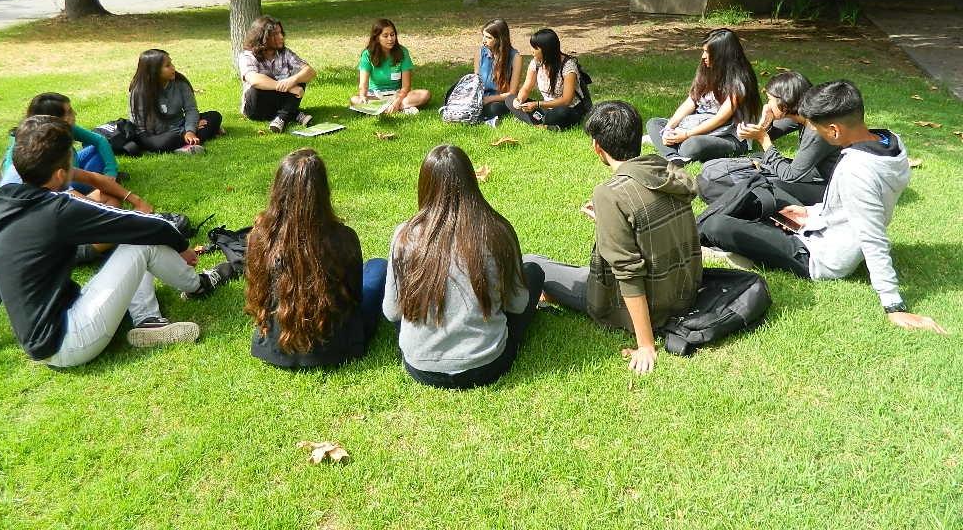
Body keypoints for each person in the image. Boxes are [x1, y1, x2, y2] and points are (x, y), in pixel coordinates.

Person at [0, 116, 234, 368]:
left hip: (48, 339)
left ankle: (147, 321)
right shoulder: (59, 208)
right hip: (72, 340)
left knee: (132, 241)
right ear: (58, 175)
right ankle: (199, 286)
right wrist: (181, 245)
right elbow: (145, 224)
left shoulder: (0, 208)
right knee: (139, 241)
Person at [698, 80, 946, 333]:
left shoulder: (857, 171)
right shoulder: (890, 141)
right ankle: (708, 235)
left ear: (834, 131)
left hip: (818, 258)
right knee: (754, 189)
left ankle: (695, 236)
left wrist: (894, 306)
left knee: (719, 224)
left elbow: (873, 237)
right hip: (818, 228)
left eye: (817, 130)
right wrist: (812, 214)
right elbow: (850, 206)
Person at [524, 101, 702, 375]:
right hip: (684, 291)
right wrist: (608, 221)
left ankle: (546, 293)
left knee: (533, 264)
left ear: (597, 146)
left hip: (646, 303)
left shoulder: (610, 193)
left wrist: (645, 344)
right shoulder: (666, 171)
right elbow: (651, 224)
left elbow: (627, 271)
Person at [381, 145, 544, 389]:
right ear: (471, 181)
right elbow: (517, 304)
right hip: (486, 364)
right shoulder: (497, 230)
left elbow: (392, 311)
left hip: (422, 366)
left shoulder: (405, 235)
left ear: (424, 184)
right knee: (534, 271)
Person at [244, 149, 384, 368]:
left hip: (272, 346)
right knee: (378, 267)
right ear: (322, 192)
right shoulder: (342, 237)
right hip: (334, 346)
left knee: (374, 269)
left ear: (278, 190)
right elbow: (356, 297)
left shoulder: (260, 237)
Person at [698, 71, 841, 205]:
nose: (767, 104)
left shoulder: (816, 129)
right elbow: (770, 136)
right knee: (760, 157)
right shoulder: (801, 115)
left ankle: (734, 196)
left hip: (831, 187)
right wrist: (765, 124)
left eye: (770, 99)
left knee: (773, 185)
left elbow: (790, 176)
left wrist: (763, 138)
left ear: (784, 104)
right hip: (811, 173)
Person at [0, 92, 152, 213]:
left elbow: (91, 173)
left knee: (109, 198)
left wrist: (132, 197)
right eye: (69, 111)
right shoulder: (31, 166)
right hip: (51, 206)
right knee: (107, 208)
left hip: (61, 190)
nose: (75, 113)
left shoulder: (51, 143)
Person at [646, 28, 761, 165]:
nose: (703, 56)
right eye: (704, 51)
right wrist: (669, 128)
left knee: (693, 145)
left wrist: (687, 135)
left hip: (728, 135)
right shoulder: (706, 71)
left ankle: (674, 147)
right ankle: (673, 156)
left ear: (721, 55)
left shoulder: (740, 82)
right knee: (654, 123)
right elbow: (690, 102)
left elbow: (720, 119)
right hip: (696, 126)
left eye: (707, 52)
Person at [128, 49, 222, 154]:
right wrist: (184, 131)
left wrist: (190, 130)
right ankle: (188, 143)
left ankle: (186, 143)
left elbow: (191, 109)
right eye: (167, 66)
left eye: (171, 63)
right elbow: (142, 125)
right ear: (154, 71)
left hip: (180, 125)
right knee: (166, 141)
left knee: (214, 116)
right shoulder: (139, 91)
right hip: (153, 133)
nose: (173, 67)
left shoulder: (180, 82)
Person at [238, 16, 316, 134]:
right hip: (256, 108)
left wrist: (292, 81)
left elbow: (310, 72)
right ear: (263, 37)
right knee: (264, 75)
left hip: (276, 104)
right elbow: (253, 79)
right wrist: (287, 87)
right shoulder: (247, 55)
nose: (281, 37)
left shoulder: (285, 53)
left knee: (299, 77)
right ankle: (293, 113)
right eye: (275, 34)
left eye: (281, 33)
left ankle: (281, 118)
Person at [506, 28, 588, 131]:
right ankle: (545, 124)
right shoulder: (536, 62)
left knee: (561, 113)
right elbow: (526, 87)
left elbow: (566, 100)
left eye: (535, 48)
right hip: (545, 108)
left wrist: (537, 104)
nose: (531, 50)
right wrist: (519, 100)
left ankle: (536, 120)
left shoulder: (568, 66)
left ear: (546, 49)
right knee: (510, 99)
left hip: (568, 109)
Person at [351, 19, 431, 114]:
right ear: (377, 38)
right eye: (385, 36)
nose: (390, 39)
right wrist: (363, 96)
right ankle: (394, 108)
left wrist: (397, 102)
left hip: (397, 94)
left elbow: (406, 87)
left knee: (425, 94)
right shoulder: (367, 54)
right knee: (355, 100)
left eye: (392, 35)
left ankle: (383, 109)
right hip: (375, 95)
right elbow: (363, 84)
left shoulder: (403, 52)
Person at [473, 19, 523, 123]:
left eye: (488, 37)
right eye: (483, 36)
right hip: (482, 95)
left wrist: (489, 99)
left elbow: (512, 93)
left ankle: (484, 118)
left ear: (499, 39)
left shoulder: (515, 57)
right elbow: (476, 81)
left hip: (501, 99)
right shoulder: (480, 53)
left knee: (494, 108)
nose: (484, 40)